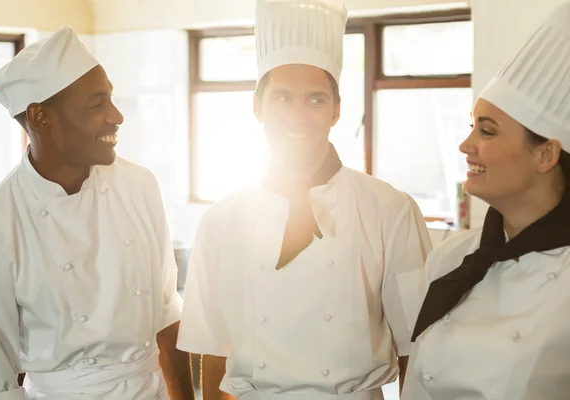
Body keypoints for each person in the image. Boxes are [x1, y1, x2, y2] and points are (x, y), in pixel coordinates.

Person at [176, 0, 432, 399]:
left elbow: (415, 347)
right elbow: (214, 348)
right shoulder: (223, 219)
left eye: (315, 99)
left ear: (336, 111)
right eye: (282, 98)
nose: (298, 115)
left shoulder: (390, 209)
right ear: (257, 106)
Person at [0, 26, 194, 400]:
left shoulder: (140, 186)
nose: (117, 116)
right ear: (41, 118)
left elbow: (167, 315)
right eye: (97, 104)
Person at [401, 2, 570, 399]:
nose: (465, 145)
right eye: (471, 127)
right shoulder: (452, 257)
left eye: (487, 132)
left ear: (545, 154)